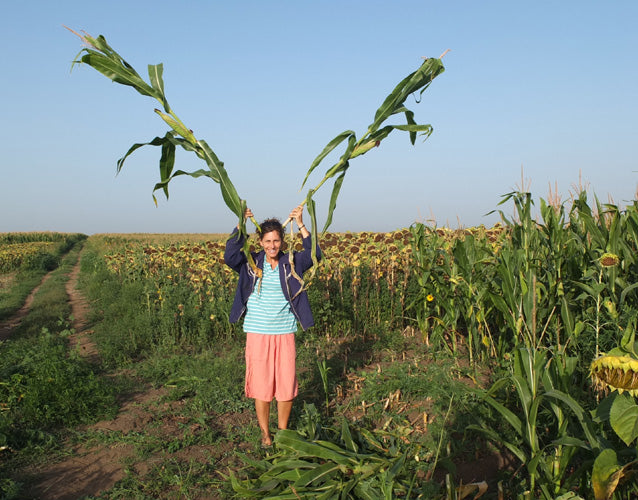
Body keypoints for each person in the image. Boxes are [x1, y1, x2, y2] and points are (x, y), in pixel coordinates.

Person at [224, 204, 321, 447]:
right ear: (260, 242)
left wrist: (300, 224)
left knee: (286, 385)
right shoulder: (250, 263)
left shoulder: (291, 262)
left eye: (276, 241)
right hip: (258, 333)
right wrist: (240, 224)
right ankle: (266, 434)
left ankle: (283, 431)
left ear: (282, 242)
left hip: (284, 332)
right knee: (262, 385)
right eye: (267, 241)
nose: (272, 246)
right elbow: (229, 256)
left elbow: (315, 255)